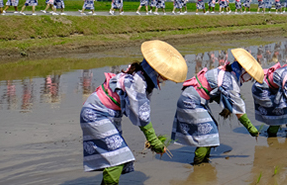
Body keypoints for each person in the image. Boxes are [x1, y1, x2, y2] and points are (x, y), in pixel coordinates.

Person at [80, 40, 187, 185]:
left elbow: (140, 110)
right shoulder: (139, 82)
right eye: (164, 75)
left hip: (107, 113)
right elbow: (142, 116)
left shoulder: (140, 74)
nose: (165, 79)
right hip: (96, 113)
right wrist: (154, 141)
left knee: (116, 156)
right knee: (117, 158)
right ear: (157, 72)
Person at [171, 48, 260, 165]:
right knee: (208, 131)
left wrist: (227, 107)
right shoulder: (230, 80)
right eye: (250, 76)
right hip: (191, 101)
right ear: (244, 72)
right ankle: (197, 163)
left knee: (210, 129)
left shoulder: (226, 72)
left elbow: (217, 93)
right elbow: (239, 110)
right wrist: (250, 128)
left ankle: (204, 161)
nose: (249, 79)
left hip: (194, 98)